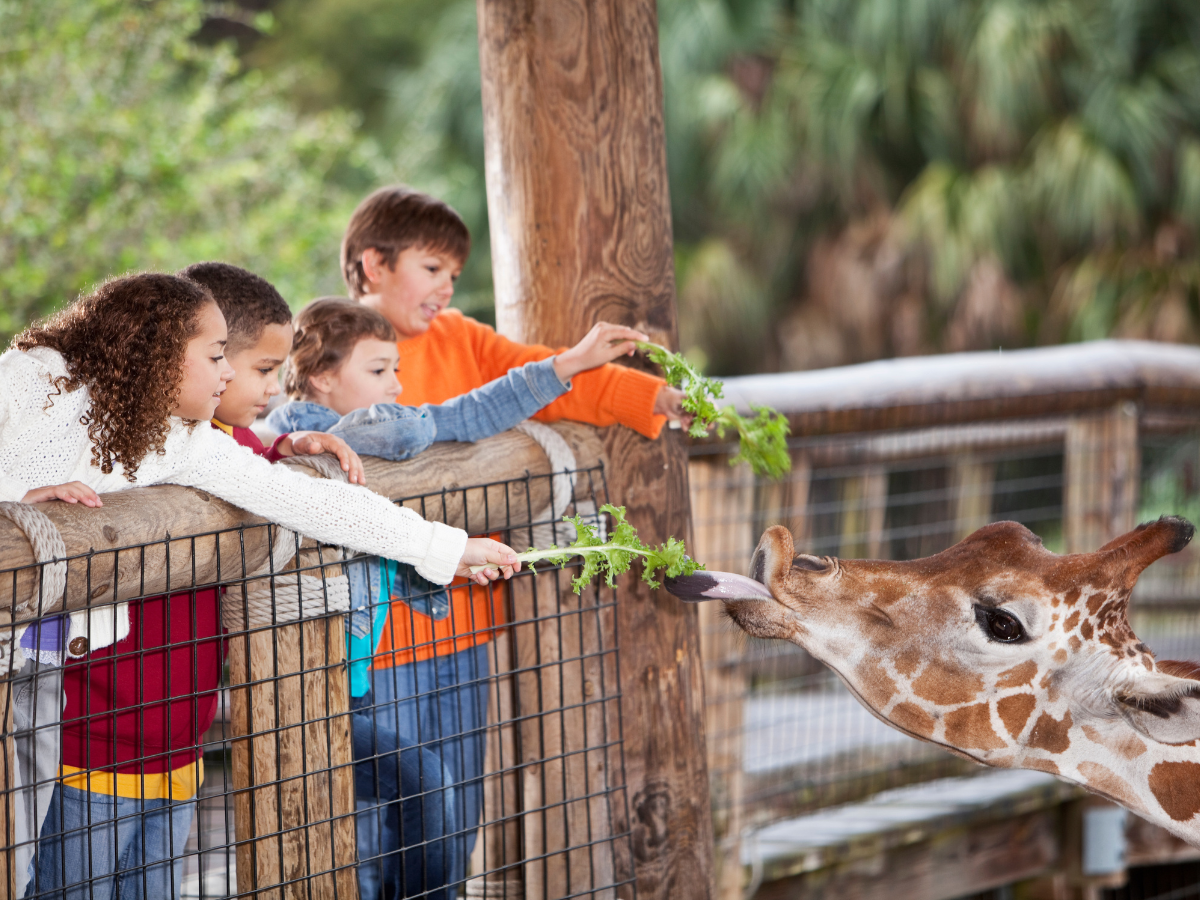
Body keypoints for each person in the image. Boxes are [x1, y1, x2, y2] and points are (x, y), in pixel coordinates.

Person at [12, 272, 519, 899]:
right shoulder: (29, 377)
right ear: (161, 349)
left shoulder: (183, 441)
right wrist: (13, 504)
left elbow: (307, 501)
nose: (227, 374)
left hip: (148, 730)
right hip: (53, 715)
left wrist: (447, 548)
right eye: (216, 355)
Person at [338, 185, 690, 879]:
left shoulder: (463, 339)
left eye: (453, 275)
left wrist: (654, 396)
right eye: (431, 268)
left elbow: (552, 378)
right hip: (375, 640)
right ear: (374, 264)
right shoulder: (331, 345)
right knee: (380, 821)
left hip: (466, 627)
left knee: (453, 816)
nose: (445, 287)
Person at [266, 297, 648, 894]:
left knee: (403, 809)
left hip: (354, 684)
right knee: (396, 812)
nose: (397, 384)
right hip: (319, 688)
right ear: (320, 378)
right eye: (378, 371)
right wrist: (566, 364)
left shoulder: (303, 438)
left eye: (396, 369)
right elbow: (464, 416)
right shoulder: (356, 432)